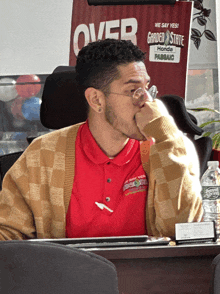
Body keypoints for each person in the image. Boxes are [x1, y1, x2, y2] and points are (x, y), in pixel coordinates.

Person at [0, 39, 203, 240]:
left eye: (148, 89)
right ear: (96, 100)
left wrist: (166, 135)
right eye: (133, 91)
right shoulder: (42, 154)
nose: (147, 102)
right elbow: (8, 235)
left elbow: (185, 232)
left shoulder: (170, 148)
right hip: (69, 272)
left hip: (149, 272)